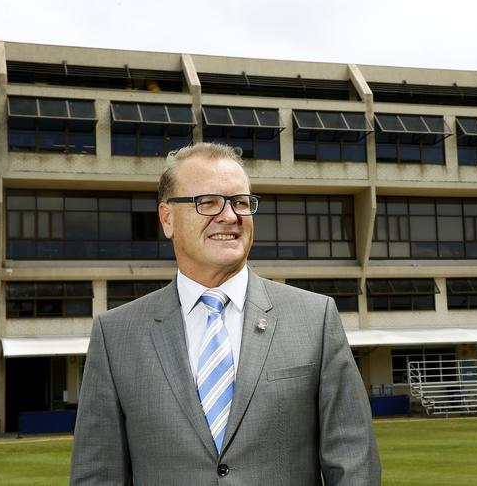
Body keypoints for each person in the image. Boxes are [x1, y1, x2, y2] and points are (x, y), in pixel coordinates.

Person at [70, 142, 381, 485]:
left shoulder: (315, 319)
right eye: (208, 202)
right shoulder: (116, 336)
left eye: (241, 203)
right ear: (167, 218)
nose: (230, 216)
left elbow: (354, 462)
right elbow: (98, 476)